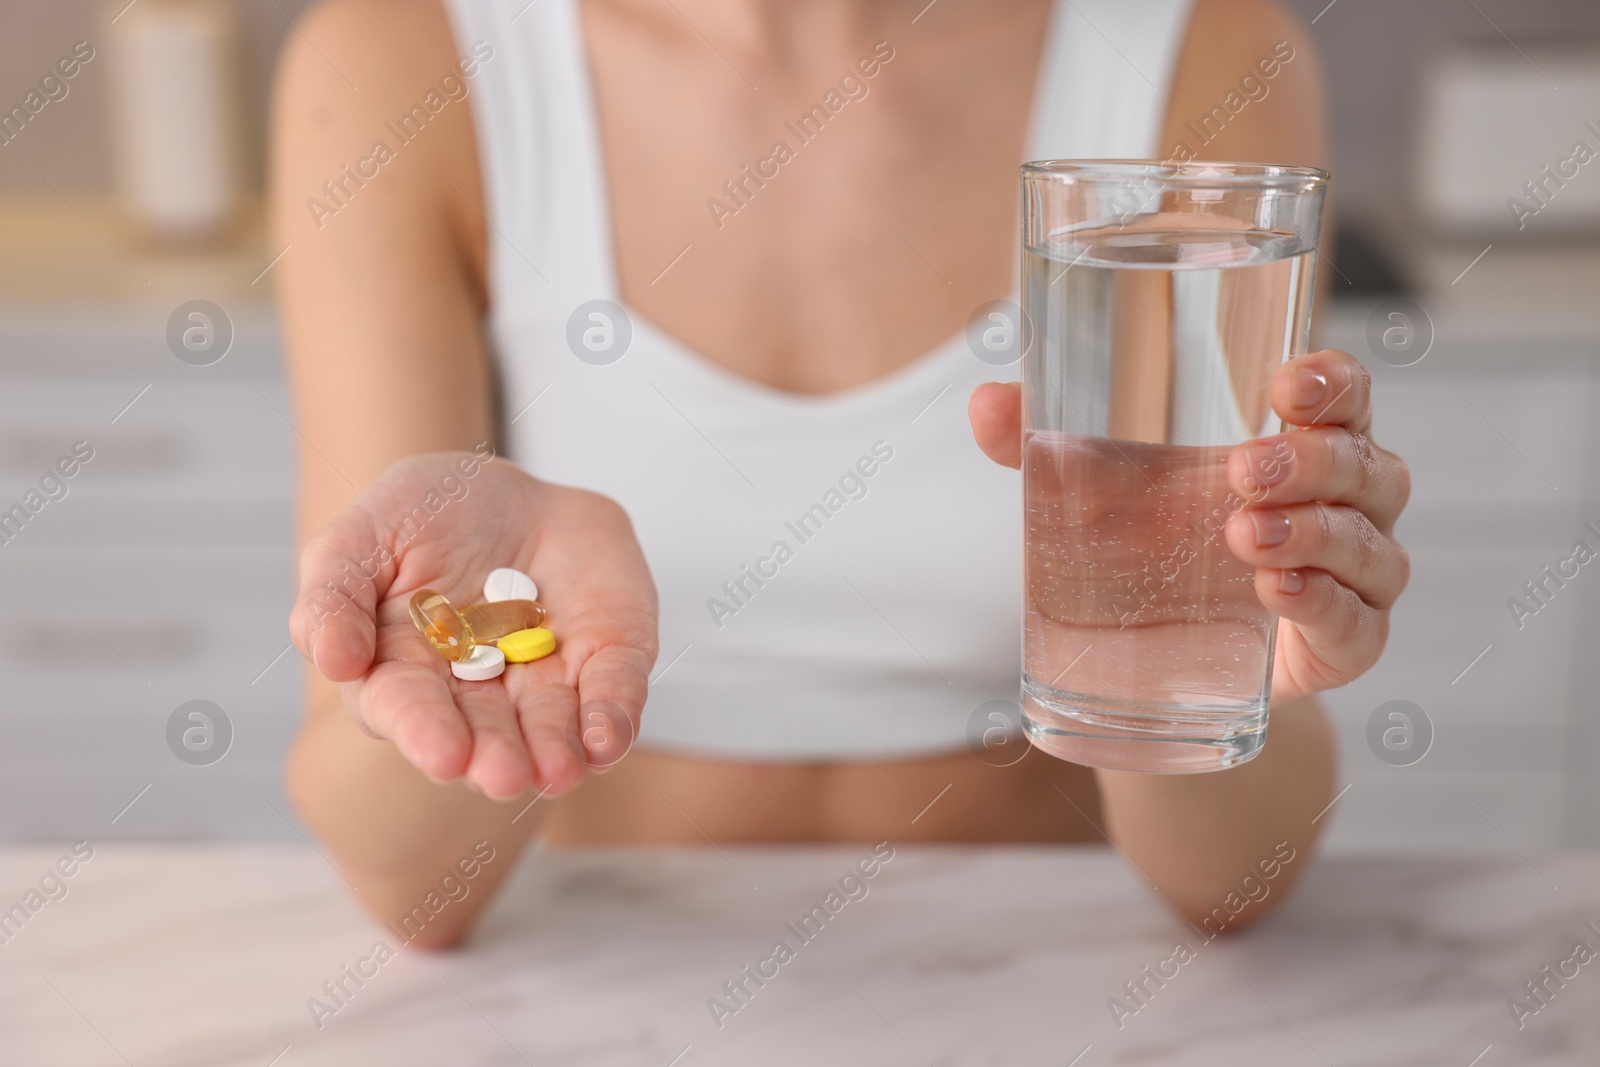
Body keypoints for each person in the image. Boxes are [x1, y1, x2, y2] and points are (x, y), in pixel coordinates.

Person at [272, 0, 1410, 949]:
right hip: (620, 987)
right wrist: (472, 666)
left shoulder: (1193, 48)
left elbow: (1233, 881)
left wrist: (1176, 659)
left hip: (1045, 983)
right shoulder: (404, 61)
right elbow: (406, 885)